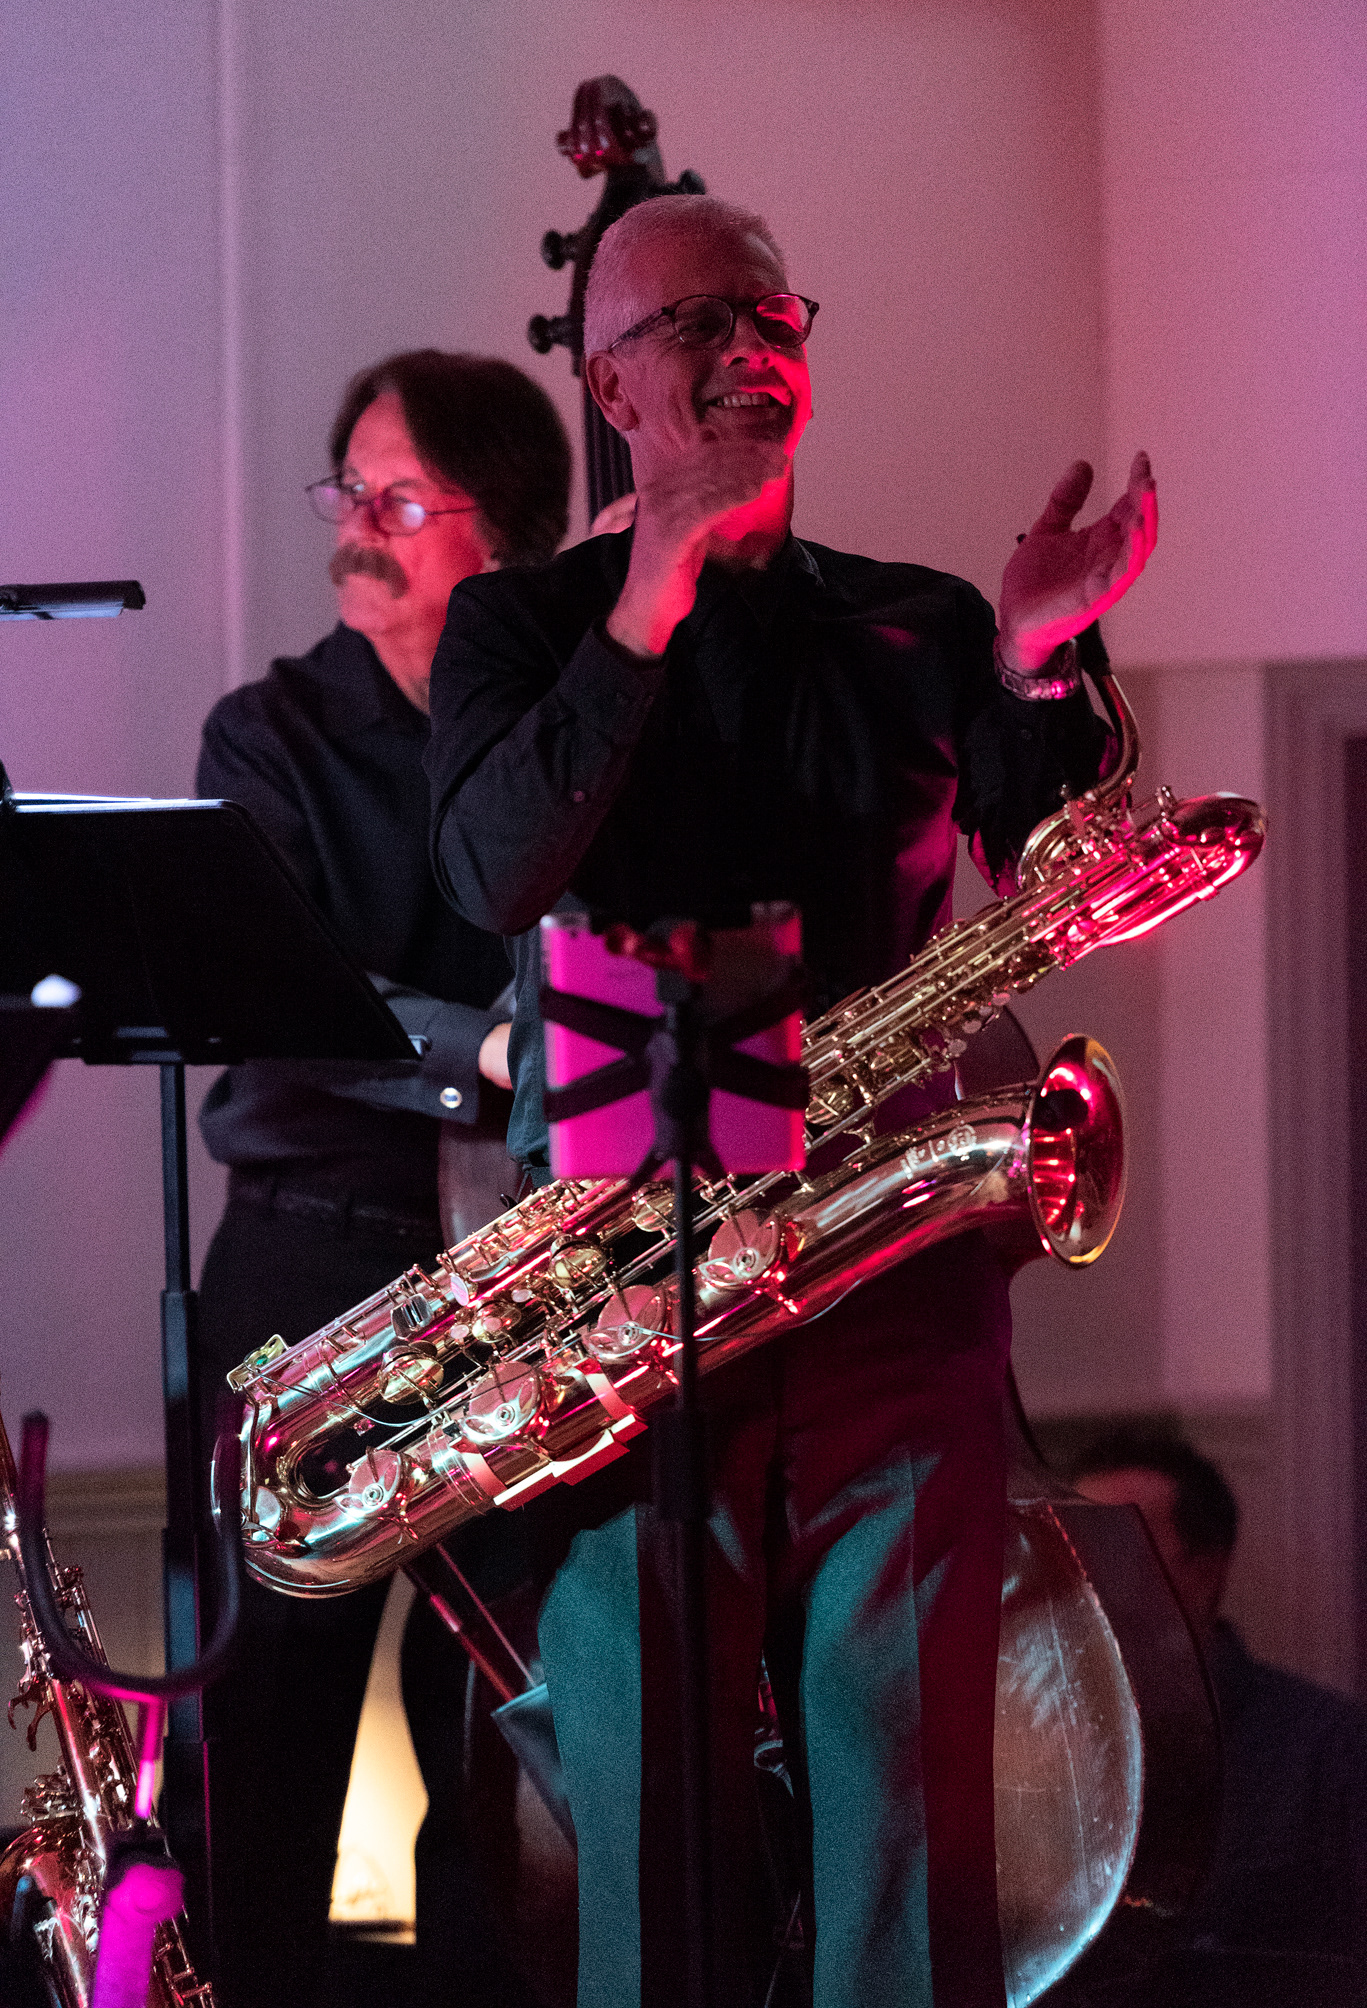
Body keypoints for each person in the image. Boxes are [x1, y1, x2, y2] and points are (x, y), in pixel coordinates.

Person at [423, 194, 1158, 2008]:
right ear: (609, 384)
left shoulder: (915, 622)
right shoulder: (516, 625)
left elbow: (1052, 866)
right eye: (699, 322)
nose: (751, 345)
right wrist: (645, 607)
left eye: (773, 314)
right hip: (625, 1297)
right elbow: (493, 868)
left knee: (913, 1855)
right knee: (654, 1870)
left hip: (882, 1285)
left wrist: (1039, 660)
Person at [194, 347, 570, 2008]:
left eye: (396, 499)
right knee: (268, 1726)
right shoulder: (267, 733)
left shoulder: (565, 719)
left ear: (508, 531)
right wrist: (491, 1054)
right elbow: (281, 990)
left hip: (525, 1275)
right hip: (309, 1266)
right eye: (345, 491)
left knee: (511, 1709)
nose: (352, 526)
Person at [1073, 1430, 1367, 2000]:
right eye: (1073, 1546)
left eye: (1117, 1549)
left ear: (1206, 1568)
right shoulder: (1030, 1745)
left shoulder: (1330, 1754)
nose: (1086, 1576)